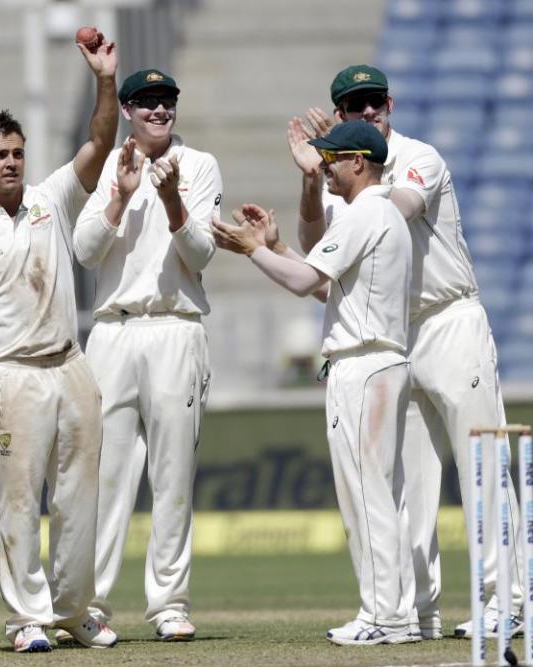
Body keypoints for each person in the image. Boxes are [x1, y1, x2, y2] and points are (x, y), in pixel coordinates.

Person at [288, 64, 521, 640]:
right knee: (410, 483)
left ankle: (510, 598)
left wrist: (335, 162)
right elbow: (317, 249)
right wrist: (313, 179)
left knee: (482, 463)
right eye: (354, 106)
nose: (368, 112)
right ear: (339, 113)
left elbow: (403, 208)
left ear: (390, 103)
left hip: (449, 319)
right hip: (394, 334)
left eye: (374, 103)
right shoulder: (346, 174)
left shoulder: (417, 157)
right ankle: (417, 609)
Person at [0, 32, 118, 652]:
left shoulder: (51, 200)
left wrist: (104, 79)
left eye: (17, 152)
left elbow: (100, 144)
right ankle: (26, 620)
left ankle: (72, 611)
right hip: (9, 376)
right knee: (18, 503)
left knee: (79, 500)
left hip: (69, 365)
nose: (12, 162)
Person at [213, 120, 418, 645]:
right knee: (379, 494)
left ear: (359, 162)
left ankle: (384, 617)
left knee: (365, 494)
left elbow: (306, 282)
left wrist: (251, 250)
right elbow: (329, 291)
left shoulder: (364, 211)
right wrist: (276, 247)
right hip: (378, 361)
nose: (323, 166)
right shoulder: (382, 215)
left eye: (332, 158)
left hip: (363, 366)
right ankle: (397, 612)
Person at [70, 68, 219, 643]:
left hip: (176, 326)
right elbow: (84, 253)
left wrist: (172, 198)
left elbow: (202, 255)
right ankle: (93, 603)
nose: (160, 111)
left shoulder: (199, 165)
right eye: (149, 102)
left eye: (167, 102)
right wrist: (121, 198)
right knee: (104, 476)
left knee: (173, 472)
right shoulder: (109, 165)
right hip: (113, 330)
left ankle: (169, 604)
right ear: (128, 109)